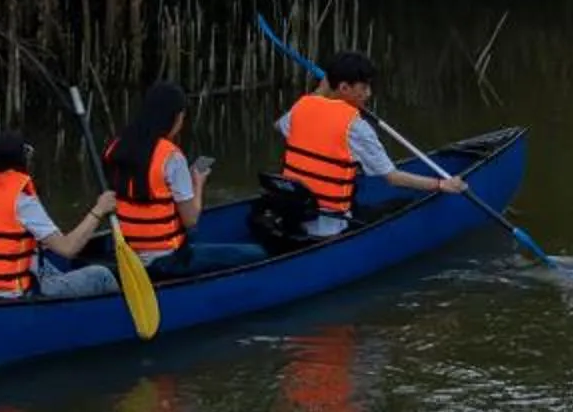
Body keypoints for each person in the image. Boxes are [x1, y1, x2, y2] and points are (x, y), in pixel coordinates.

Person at [275, 50, 465, 237]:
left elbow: (280, 126)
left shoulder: (301, 107)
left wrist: (321, 91)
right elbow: (393, 178)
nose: (369, 93)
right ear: (344, 88)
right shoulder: (356, 127)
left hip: (292, 213)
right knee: (401, 204)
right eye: (364, 88)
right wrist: (440, 184)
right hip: (330, 226)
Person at [104, 80, 266, 278]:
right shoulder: (171, 157)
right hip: (164, 261)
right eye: (182, 117)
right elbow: (190, 220)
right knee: (258, 254)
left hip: (125, 253)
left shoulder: (115, 148)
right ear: (175, 117)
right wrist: (197, 183)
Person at [0, 131, 119, 299]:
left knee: (45, 258)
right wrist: (100, 209)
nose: (29, 158)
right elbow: (68, 249)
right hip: (11, 293)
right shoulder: (21, 201)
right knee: (101, 275)